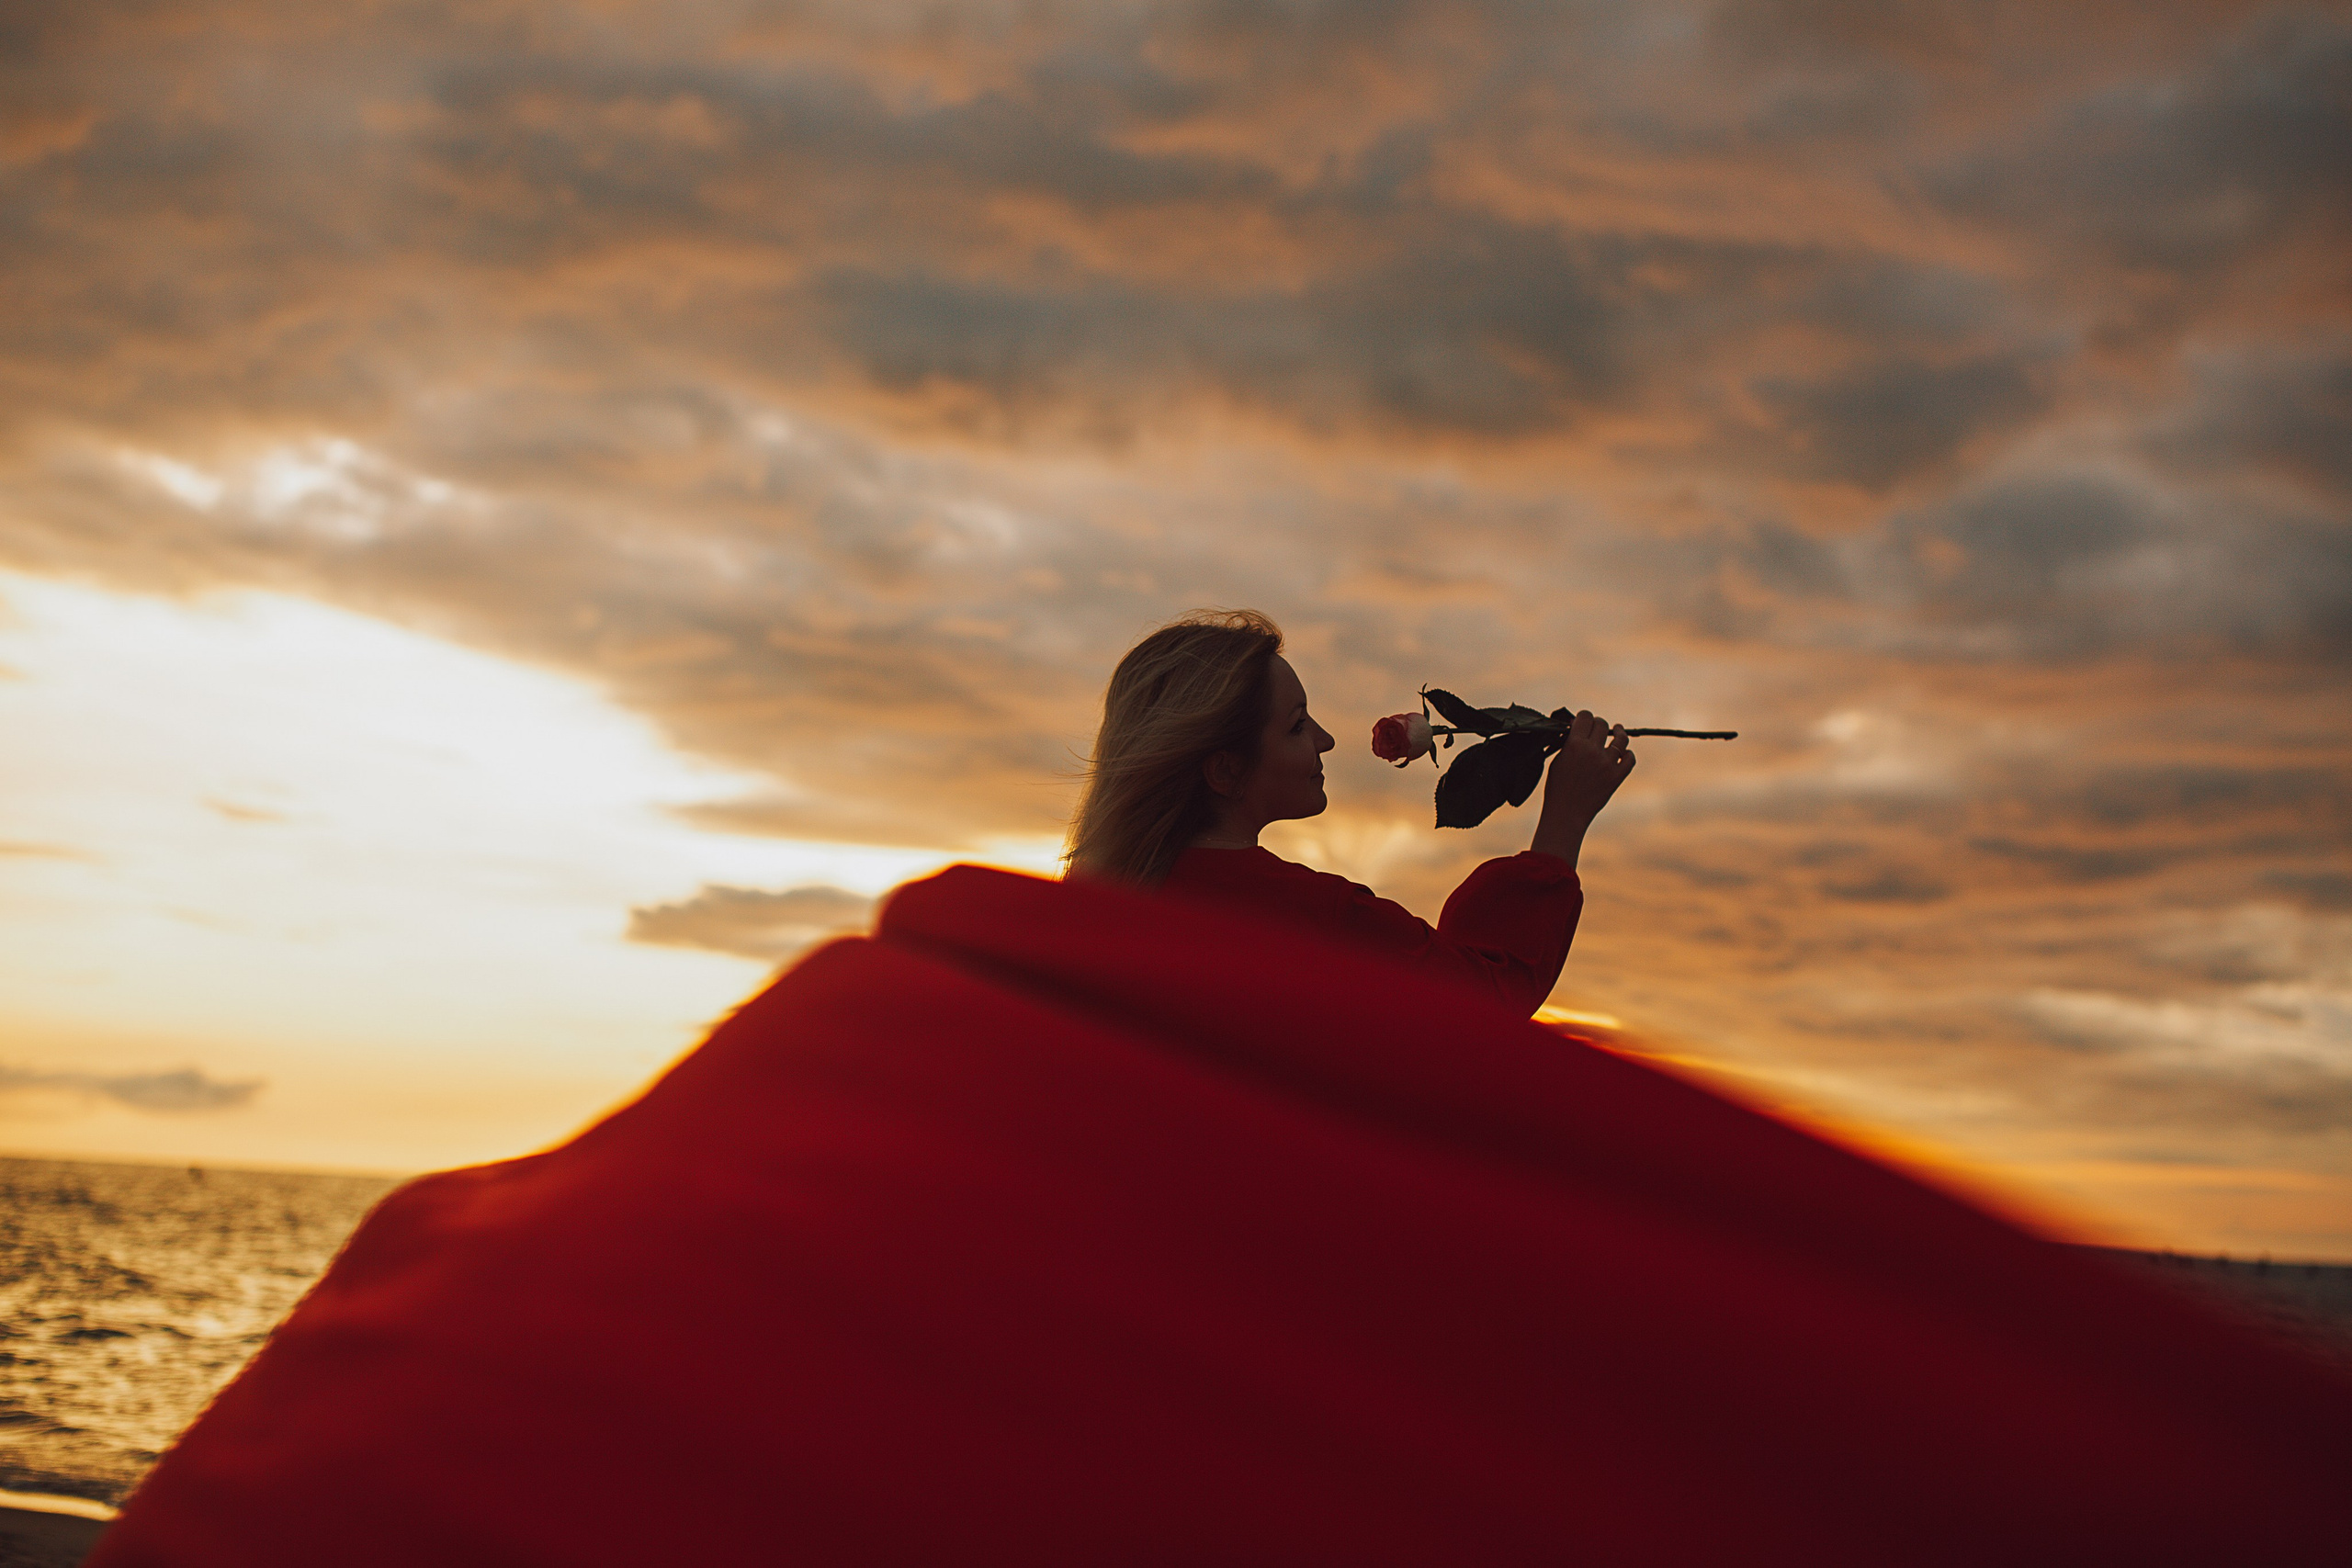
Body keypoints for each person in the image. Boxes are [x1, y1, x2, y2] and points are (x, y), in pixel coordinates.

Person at [1063, 609, 1634, 1015]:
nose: (1327, 740)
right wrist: (1563, 823)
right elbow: (1483, 1003)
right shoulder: (1315, 917)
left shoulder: (1095, 914)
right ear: (1226, 771)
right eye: (1296, 726)